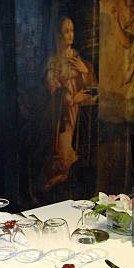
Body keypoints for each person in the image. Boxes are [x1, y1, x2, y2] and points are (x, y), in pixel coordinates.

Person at [42, 16, 97, 191]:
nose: (70, 35)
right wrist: (73, 99)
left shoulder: (79, 60)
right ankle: (54, 190)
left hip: (80, 116)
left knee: (77, 156)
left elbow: (94, 88)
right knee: (63, 157)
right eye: (66, 31)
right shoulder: (53, 62)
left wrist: (85, 71)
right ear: (58, 36)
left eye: (72, 30)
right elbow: (53, 89)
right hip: (63, 117)